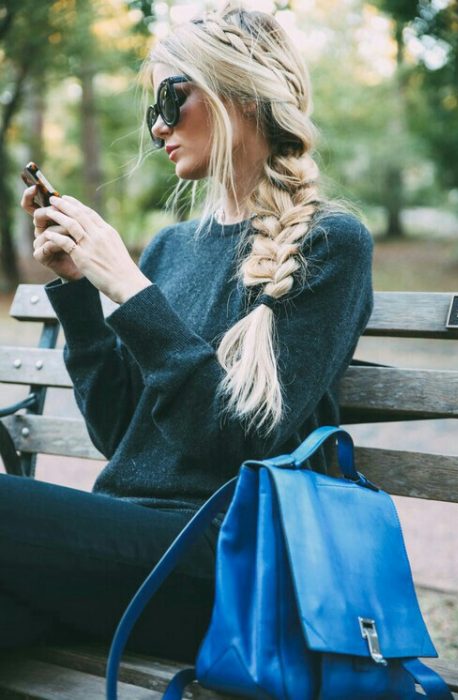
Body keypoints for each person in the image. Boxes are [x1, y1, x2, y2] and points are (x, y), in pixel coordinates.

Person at [9, 0, 374, 663]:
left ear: (239, 94)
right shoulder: (172, 247)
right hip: (129, 549)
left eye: (170, 100)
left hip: (229, 557)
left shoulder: (330, 244)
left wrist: (128, 287)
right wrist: (82, 297)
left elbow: (232, 444)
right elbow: (123, 435)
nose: (156, 127)